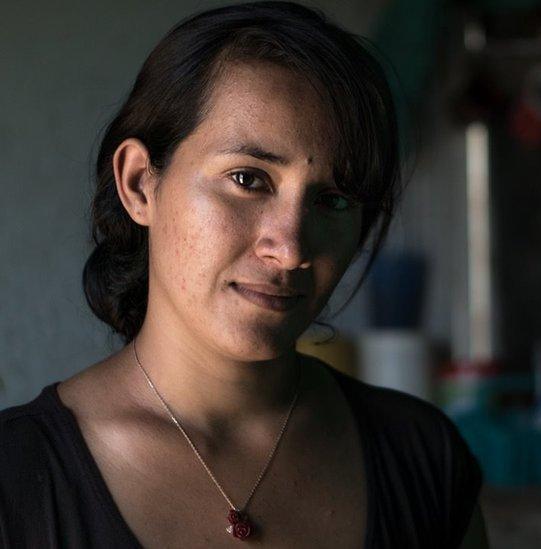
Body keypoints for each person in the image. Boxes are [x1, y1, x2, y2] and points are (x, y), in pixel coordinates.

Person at [0, 2, 486, 548]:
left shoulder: (424, 460)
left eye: (334, 200)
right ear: (139, 184)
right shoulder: (16, 482)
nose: (290, 248)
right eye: (247, 179)